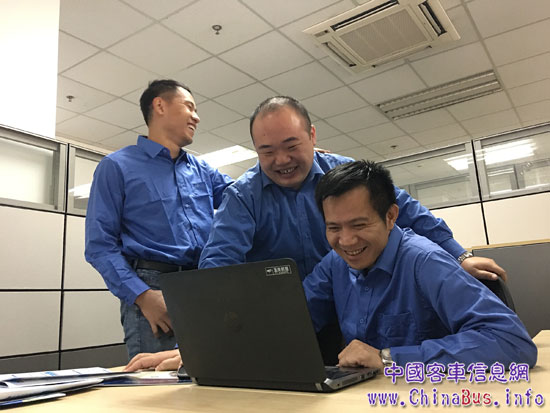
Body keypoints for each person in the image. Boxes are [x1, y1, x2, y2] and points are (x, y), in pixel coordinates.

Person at [124, 96, 507, 371]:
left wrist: (459, 255)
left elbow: (412, 212)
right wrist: (206, 345)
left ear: (312, 136)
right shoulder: (250, 201)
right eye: (267, 151)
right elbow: (218, 269)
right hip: (296, 312)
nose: (281, 160)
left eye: (291, 145)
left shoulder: (416, 255)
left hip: (364, 326)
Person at [304, 160, 536, 368]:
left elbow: (511, 341)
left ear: (390, 216)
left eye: (359, 225)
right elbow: (297, 319)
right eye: (334, 227)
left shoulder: (425, 261)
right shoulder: (335, 263)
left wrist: (389, 358)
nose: (346, 241)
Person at [85, 79, 233, 359]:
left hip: (204, 283)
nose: (196, 117)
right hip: (154, 287)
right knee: (156, 380)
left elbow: (244, 197)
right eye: (189, 107)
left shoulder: (202, 170)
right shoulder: (117, 166)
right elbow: (99, 246)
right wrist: (143, 296)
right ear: (160, 105)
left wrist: (293, 158)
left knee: (211, 372)